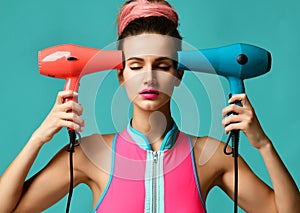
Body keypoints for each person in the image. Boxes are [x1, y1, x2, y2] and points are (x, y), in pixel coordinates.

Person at [0, 0, 299, 212]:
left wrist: (263, 145)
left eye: (163, 65)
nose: (149, 78)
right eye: (135, 65)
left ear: (178, 74)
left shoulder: (210, 157)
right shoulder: (89, 156)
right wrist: (38, 138)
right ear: (120, 74)